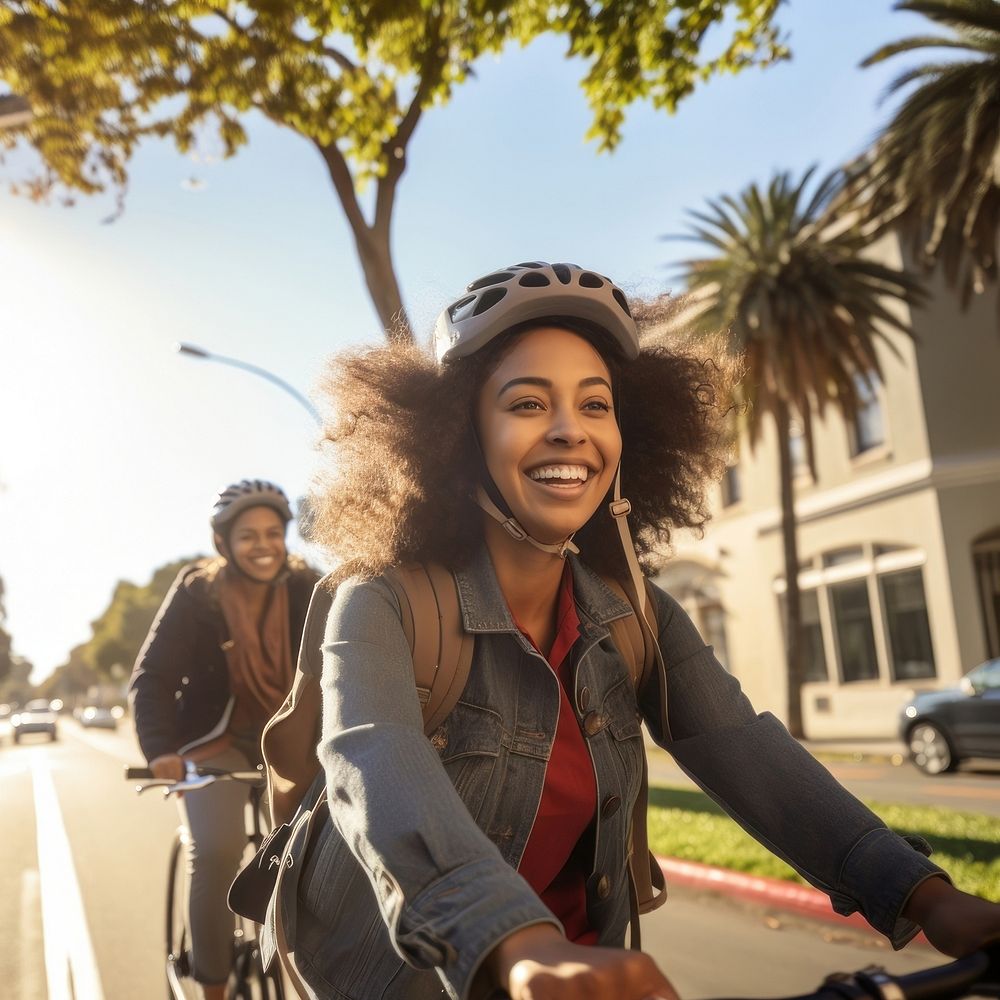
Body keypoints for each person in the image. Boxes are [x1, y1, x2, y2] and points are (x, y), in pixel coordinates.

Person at [293, 262, 1000, 1000]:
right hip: (400, 977)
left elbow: (749, 752)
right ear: (458, 438)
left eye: (595, 405)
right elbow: (373, 760)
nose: (571, 430)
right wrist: (515, 941)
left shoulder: (636, 614)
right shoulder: (382, 604)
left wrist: (924, 895)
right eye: (528, 403)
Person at [130, 478, 320, 1000]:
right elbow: (152, 679)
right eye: (247, 536)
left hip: (292, 741)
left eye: (272, 533)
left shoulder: (310, 588)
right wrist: (161, 751)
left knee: (328, 850)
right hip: (215, 745)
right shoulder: (198, 592)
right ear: (224, 545)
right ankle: (212, 987)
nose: (263, 546)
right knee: (217, 849)